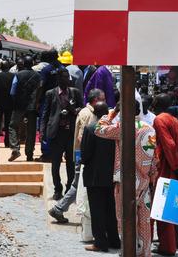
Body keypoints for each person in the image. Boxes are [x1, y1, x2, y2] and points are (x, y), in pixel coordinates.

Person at [95, 101, 156, 257]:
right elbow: (155, 157)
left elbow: (98, 129)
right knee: (144, 220)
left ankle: (128, 252)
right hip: (144, 180)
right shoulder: (150, 128)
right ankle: (145, 252)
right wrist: (152, 175)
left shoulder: (122, 128)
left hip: (126, 181)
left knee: (125, 218)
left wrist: (112, 113)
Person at [48, 88, 105, 229]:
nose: (105, 101)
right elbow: (82, 136)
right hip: (85, 155)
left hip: (83, 154)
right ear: (95, 100)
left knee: (77, 184)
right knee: (77, 184)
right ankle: (59, 209)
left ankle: (59, 208)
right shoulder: (88, 114)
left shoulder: (86, 112)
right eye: (103, 98)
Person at [151, 93, 178, 256]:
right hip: (173, 168)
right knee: (171, 207)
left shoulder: (159, 120)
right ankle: (170, 244)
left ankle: (167, 247)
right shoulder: (174, 120)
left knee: (162, 206)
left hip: (165, 169)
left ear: (157, 103)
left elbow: (170, 145)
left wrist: (175, 165)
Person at [81, 102, 120, 252]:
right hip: (111, 175)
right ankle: (114, 240)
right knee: (110, 208)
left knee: (97, 210)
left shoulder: (91, 129)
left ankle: (100, 242)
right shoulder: (114, 129)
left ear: (94, 114)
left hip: (95, 176)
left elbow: (85, 155)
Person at [41, 68, 84, 200]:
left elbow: (82, 109)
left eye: (68, 77)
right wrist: (42, 131)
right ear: (58, 79)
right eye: (64, 77)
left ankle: (68, 189)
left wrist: (72, 110)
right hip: (56, 132)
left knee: (71, 164)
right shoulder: (50, 93)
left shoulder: (75, 93)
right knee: (55, 163)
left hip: (71, 132)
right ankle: (57, 189)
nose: (67, 80)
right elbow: (45, 113)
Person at [8, 55, 42, 161]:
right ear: (32, 64)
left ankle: (15, 149)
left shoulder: (18, 75)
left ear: (23, 64)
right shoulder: (38, 76)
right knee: (31, 131)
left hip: (19, 105)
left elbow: (12, 92)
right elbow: (40, 91)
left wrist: (15, 101)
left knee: (12, 126)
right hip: (32, 107)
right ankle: (30, 154)